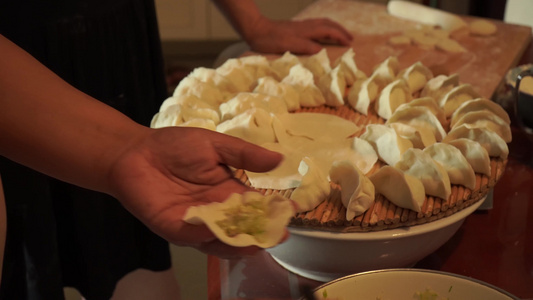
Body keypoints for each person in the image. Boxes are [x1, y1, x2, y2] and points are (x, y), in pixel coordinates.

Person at [0, 1, 352, 299]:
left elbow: (128, 156)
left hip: (116, 44)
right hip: (18, 78)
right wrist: (127, 153)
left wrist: (128, 152)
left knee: (130, 258)